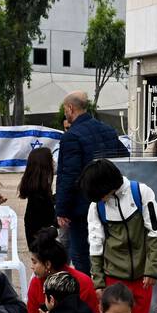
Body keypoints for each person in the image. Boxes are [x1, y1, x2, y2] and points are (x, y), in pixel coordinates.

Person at [83, 158, 157, 313]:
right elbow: (95, 244)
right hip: (113, 276)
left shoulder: (142, 193)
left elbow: (155, 233)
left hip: (142, 277)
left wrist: (151, 269)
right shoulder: (96, 207)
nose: (99, 199)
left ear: (107, 185)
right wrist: (98, 281)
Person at [55, 91, 129, 273]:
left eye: (65, 109)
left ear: (70, 108)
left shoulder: (71, 136)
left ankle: (89, 297)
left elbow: (68, 176)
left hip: (82, 210)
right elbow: (125, 159)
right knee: (106, 256)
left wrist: (62, 209)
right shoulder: (108, 130)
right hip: (109, 205)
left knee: (82, 258)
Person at [19, 146, 57, 241]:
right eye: (51, 158)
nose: (54, 161)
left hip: (35, 230)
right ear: (45, 163)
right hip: (40, 235)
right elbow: (47, 214)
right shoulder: (39, 192)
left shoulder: (37, 187)